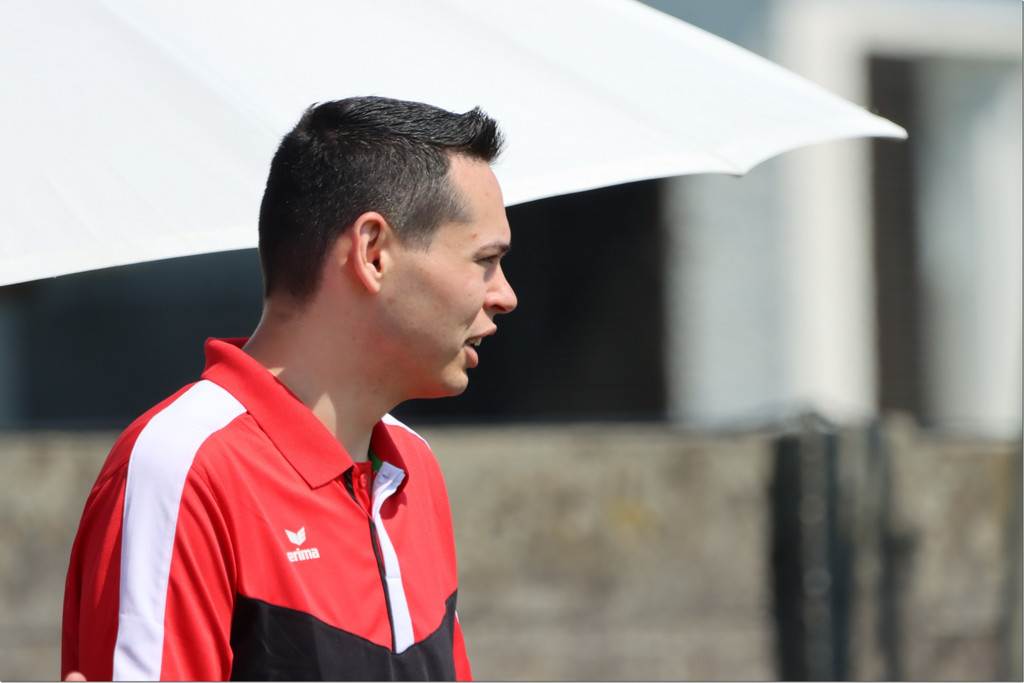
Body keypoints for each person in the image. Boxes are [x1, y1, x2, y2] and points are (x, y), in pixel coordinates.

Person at [61, 96, 517, 681]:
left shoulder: (413, 468)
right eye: (485, 260)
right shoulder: (183, 467)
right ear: (373, 254)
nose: (505, 295)